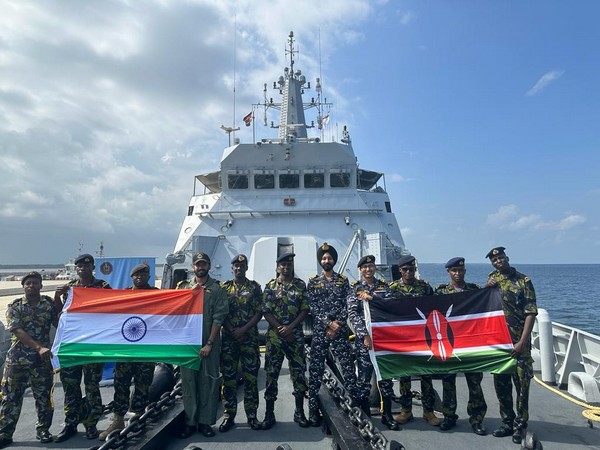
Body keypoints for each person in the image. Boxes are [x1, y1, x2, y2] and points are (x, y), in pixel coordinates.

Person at [53, 254, 111, 442]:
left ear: (92, 267)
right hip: (73, 345)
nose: (82, 269)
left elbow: (112, 310)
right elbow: (60, 315)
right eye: (79, 266)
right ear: (76, 269)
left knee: (92, 386)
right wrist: (57, 295)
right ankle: (71, 423)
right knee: (71, 386)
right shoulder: (70, 287)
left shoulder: (102, 287)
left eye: (86, 266)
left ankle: (91, 424)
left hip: (93, 345)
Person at [98, 263, 158, 440]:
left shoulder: (157, 294)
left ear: (148, 276)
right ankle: (117, 420)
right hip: (126, 350)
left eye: (143, 274)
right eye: (136, 275)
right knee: (121, 385)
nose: (139, 277)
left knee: (143, 384)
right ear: (132, 277)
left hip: (146, 350)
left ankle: (138, 418)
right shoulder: (124, 295)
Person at [0, 272, 59, 448]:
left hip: (41, 362)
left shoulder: (48, 305)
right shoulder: (15, 307)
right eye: (28, 283)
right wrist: (39, 347)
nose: (31, 286)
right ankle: (5, 432)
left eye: (35, 283)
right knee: (10, 398)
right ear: (23, 287)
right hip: (17, 360)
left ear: (41, 286)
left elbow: (60, 322)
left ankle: (43, 430)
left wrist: (58, 298)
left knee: (43, 397)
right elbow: (17, 330)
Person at [485, 246, 537, 445]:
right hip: (500, 344)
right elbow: (485, 304)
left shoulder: (524, 281)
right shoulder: (492, 278)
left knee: (522, 388)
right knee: (502, 386)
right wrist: (485, 287)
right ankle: (507, 422)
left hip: (519, 344)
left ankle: (520, 426)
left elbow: (530, 312)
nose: (498, 261)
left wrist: (522, 341)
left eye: (501, 258)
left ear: (507, 258)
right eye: (494, 260)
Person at [176, 252, 229, 439]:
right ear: (193, 267)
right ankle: (190, 423)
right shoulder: (183, 288)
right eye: (198, 264)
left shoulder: (217, 290)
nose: (201, 267)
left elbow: (218, 318)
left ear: (209, 266)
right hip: (187, 346)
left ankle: (205, 422)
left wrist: (209, 343)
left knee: (208, 383)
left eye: (204, 264)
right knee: (189, 384)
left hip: (209, 344)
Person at [434, 257, 487, 435]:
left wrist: (490, 288)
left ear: (465, 271)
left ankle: (477, 419)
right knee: (448, 382)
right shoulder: (440, 292)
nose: (458, 273)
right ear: (448, 272)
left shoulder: (475, 290)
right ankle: (449, 416)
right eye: (454, 271)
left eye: (461, 270)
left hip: (470, 344)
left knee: (474, 382)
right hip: (449, 343)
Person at [306, 244, 358, 427]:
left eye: (329, 258)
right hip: (321, 332)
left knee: (348, 368)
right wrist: (329, 324)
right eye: (324, 258)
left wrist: (338, 324)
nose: (326, 261)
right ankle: (313, 410)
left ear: (334, 260)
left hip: (340, 331)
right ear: (320, 261)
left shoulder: (343, 281)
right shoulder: (312, 282)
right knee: (316, 370)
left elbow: (348, 304)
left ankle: (355, 408)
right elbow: (312, 306)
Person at [347, 255, 400, 430]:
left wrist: (373, 298)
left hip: (383, 339)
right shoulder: (355, 289)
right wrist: (364, 336)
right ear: (360, 270)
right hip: (365, 341)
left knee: (385, 379)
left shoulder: (384, 287)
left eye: (371, 266)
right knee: (363, 380)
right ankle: (366, 416)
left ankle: (387, 415)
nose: (368, 269)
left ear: (374, 268)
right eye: (365, 267)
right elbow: (353, 314)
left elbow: (390, 306)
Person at [389, 255, 440, 427]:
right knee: (405, 375)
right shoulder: (393, 288)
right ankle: (406, 411)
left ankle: (428, 411)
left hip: (423, 339)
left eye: (411, 269)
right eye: (405, 270)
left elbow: (435, 308)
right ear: (400, 270)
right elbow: (385, 309)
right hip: (403, 339)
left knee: (426, 374)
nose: (409, 272)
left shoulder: (425, 288)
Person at [261, 253, 309, 429]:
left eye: (289, 264)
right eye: (283, 264)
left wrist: (291, 327)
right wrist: (281, 328)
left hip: (295, 336)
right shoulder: (270, 286)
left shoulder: (300, 285)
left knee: (299, 374)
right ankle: (269, 414)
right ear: (277, 267)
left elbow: (304, 309)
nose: (286, 267)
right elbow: (266, 311)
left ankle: (299, 412)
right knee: (271, 375)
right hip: (275, 337)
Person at [218, 255, 263, 432]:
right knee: (228, 379)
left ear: (246, 267)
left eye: (242, 265)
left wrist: (243, 330)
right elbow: (220, 312)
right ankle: (228, 415)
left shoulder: (255, 287)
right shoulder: (224, 288)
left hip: (249, 338)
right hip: (229, 340)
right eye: (236, 265)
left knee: (251, 378)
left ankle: (252, 415)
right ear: (232, 267)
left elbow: (259, 312)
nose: (238, 268)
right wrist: (231, 329)